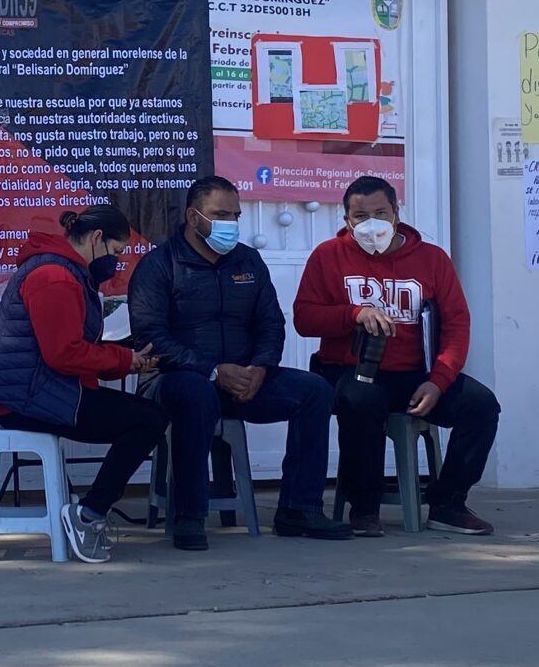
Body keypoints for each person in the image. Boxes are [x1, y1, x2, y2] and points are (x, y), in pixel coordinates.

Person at [126, 177, 344, 548]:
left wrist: (260, 367)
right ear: (193, 218)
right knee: (196, 393)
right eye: (219, 215)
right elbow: (151, 338)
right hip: (176, 379)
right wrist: (213, 370)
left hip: (244, 379)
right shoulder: (159, 265)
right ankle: (190, 515)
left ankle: (298, 509)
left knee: (314, 391)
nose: (230, 223)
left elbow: (272, 323)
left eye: (235, 215)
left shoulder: (249, 260)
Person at [294, 174, 502, 535]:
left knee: (481, 405)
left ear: (396, 213)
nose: (371, 223)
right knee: (360, 399)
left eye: (380, 212)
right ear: (346, 220)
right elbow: (304, 318)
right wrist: (353, 314)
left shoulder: (432, 259)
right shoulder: (327, 256)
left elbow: (456, 326)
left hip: (416, 374)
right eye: (360, 216)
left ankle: (447, 503)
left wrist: (438, 381)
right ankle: (364, 507)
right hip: (352, 368)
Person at [0, 204, 166, 564]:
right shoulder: (54, 276)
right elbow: (63, 354)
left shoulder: (63, 270)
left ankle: (90, 511)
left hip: (42, 392)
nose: (116, 263)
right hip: (29, 400)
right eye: (116, 252)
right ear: (97, 238)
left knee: (143, 415)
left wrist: (123, 360)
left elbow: (68, 348)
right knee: (147, 420)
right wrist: (125, 361)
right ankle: (89, 515)